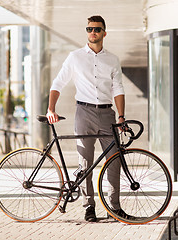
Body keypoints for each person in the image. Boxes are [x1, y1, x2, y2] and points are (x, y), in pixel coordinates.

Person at [46, 15, 126, 222]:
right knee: (86, 163)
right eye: (89, 29)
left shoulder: (112, 59)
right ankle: (88, 207)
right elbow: (58, 83)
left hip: (108, 114)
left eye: (97, 29)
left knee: (114, 161)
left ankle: (114, 208)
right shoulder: (75, 57)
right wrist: (50, 109)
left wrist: (121, 116)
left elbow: (118, 88)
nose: (93, 32)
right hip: (84, 113)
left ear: (104, 33)